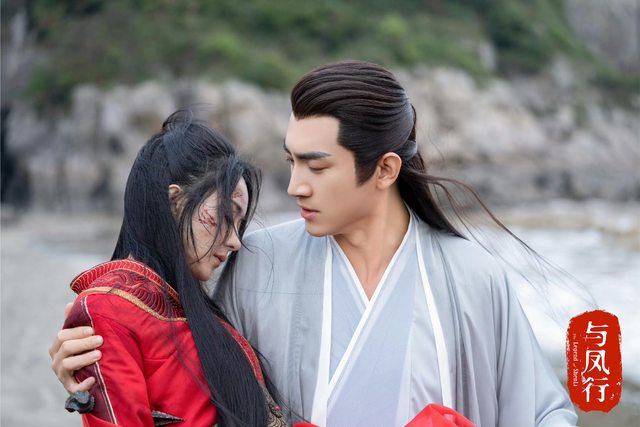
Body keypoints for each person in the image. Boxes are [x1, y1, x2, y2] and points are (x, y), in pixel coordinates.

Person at [50, 61, 577, 426]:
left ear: (385, 169)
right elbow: (174, 361)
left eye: (316, 166)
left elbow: (542, 414)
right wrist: (86, 363)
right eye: (291, 161)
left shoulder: (474, 277)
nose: (295, 186)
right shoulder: (255, 264)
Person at [54, 109, 298, 426]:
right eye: (227, 216)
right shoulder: (109, 310)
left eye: (240, 224)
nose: (235, 241)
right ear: (175, 201)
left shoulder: (193, 307)